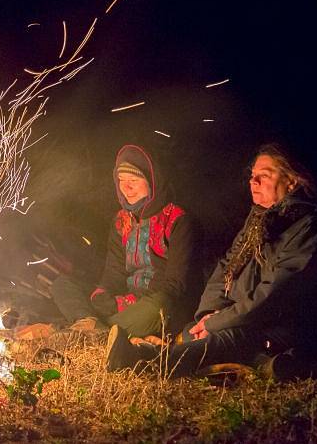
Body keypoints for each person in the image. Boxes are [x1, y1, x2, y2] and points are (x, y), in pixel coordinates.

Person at [107, 143, 317, 379]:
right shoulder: (258, 218)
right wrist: (210, 312)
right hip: (241, 316)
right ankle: (265, 363)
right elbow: (226, 266)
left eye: (263, 176)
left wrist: (217, 322)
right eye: (252, 176)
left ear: (292, 181)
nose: (253, 182)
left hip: (278, 324)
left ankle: (143, 362)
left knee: (221, 339)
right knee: (192, 333)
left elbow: (273, 294)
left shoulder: (307, 225)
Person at [16, 144, 199, 343]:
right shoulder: (121, 221)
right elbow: (114, 272)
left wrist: (124, 304)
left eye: (134, 181)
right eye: (121, 180)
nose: (126, 188)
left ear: (151, 182)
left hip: (156, 304)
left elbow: (175, 285)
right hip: (125, 302)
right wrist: (102, 293)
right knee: (63, 284)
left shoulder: (178, 220)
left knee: (159, 306)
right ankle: (97, 329)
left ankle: (86, 332)